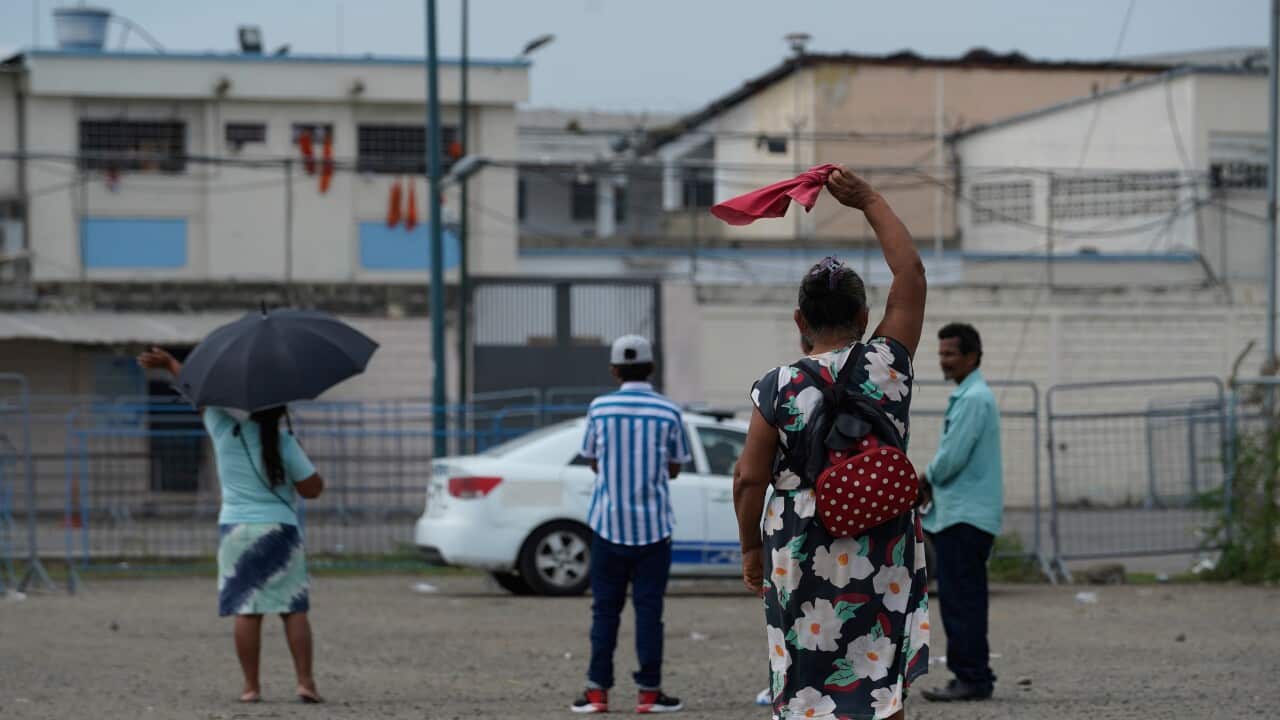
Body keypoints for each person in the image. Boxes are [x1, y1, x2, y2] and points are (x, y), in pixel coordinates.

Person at [734, 167, 929, 720]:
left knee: (803, 677)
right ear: (866, 318)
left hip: (799, 538)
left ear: (800, 320)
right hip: (883, 537)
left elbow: (749, 478)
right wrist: (867, 199)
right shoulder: (888, 363)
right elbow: (909, 271)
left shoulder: (776, 386)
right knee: (879, 672)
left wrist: (751, 549)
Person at [137, 347, 327, 705]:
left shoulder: (225, 431)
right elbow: (313, 489)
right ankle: (305, 682)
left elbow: (199, 394)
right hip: (280, 529)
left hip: (237, 530)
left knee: (247, 609)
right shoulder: (284, 442)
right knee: (293, 608)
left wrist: (169, 366)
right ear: (281, 410)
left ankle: (251, 687)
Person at [572, 335, 692, 714]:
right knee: (649, 612)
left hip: (607, 526)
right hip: (654, 530)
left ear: (614, 370)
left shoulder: (600, 408)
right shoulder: (669, 411)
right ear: (651, 368)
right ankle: (649, 694)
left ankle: (596, 694)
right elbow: (675, 466)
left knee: (604, 611)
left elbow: (591, 458)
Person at [917, 323, 1003, 703]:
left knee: (961, 600)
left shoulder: (973, 399)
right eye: (941, 354)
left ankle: (970, 678)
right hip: (962, 514)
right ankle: (975, 674)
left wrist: (925, 479)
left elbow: (952, 458)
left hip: (963, 517)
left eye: (951, 353)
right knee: (964, 599)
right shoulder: (971, 395)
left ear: (972, 355)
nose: (944, 361)